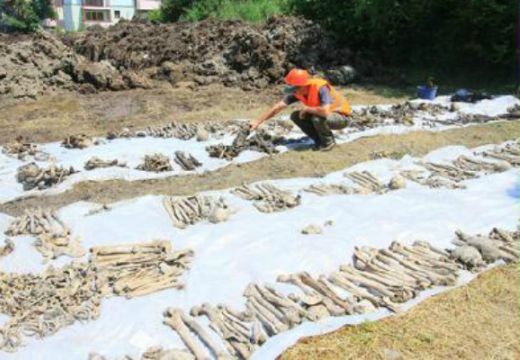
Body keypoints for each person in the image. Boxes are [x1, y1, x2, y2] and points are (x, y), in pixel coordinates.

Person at [249, 68, 352, 151]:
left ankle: (328, 142)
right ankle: (319, 141)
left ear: (303, 86)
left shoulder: (320, 87)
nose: (294, 92)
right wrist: (258, 121)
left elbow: (324, 112)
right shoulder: (298, 92)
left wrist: (307, 109)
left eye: (295, 88)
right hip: (325, 115)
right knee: (296, 116)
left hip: (341, 117)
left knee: (317, 118)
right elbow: (277, 107)